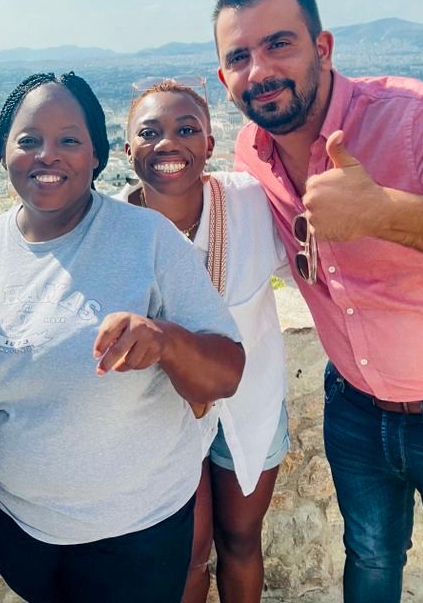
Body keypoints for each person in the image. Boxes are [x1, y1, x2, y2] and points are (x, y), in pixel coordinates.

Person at [214, 0, 423, 602]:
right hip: (356, 408)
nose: (259, 70)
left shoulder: (422, 121)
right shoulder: (251, 151)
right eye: (238, 57)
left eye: (279, 44)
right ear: (223, 75)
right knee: (367, 557)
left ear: (324, 47)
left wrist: (385, 212)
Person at [0, 71, 244, 603]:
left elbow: (225, 371)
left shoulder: (148, 239)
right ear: (2, 153)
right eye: (28, 140)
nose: (48, 155)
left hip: (135, 533)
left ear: (97, 155)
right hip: (15, 523)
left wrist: (164, 340)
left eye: (69, 140)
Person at [118, 79, 289, 603]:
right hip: (163, 422)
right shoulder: (113, 231)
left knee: (240, 540)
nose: (169, 143)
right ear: (128, 150)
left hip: (251, 400)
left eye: (186, 129)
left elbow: (317, 250)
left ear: (210, 144)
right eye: (150, 132)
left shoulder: (251, 204)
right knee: (187, 557)